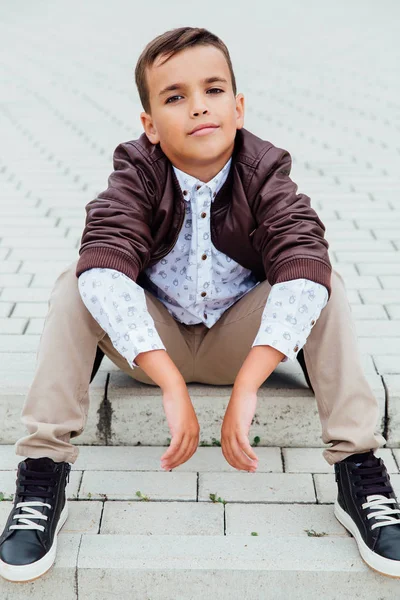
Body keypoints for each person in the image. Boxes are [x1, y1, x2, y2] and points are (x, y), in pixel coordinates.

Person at [1, 25, 399, 584]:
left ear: (238, 107)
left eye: (213, 91)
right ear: (150, 126)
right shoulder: (136, 171)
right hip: (152, 343)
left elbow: (301, 257)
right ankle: (42, 471)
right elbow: (107, 259)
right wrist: (167, 382)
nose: (198, 108)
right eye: (174, 96)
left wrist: (248, 384)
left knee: (319, 277)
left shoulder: (265, 171)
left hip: (239, 343)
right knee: (78, 277)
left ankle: (360, 469)